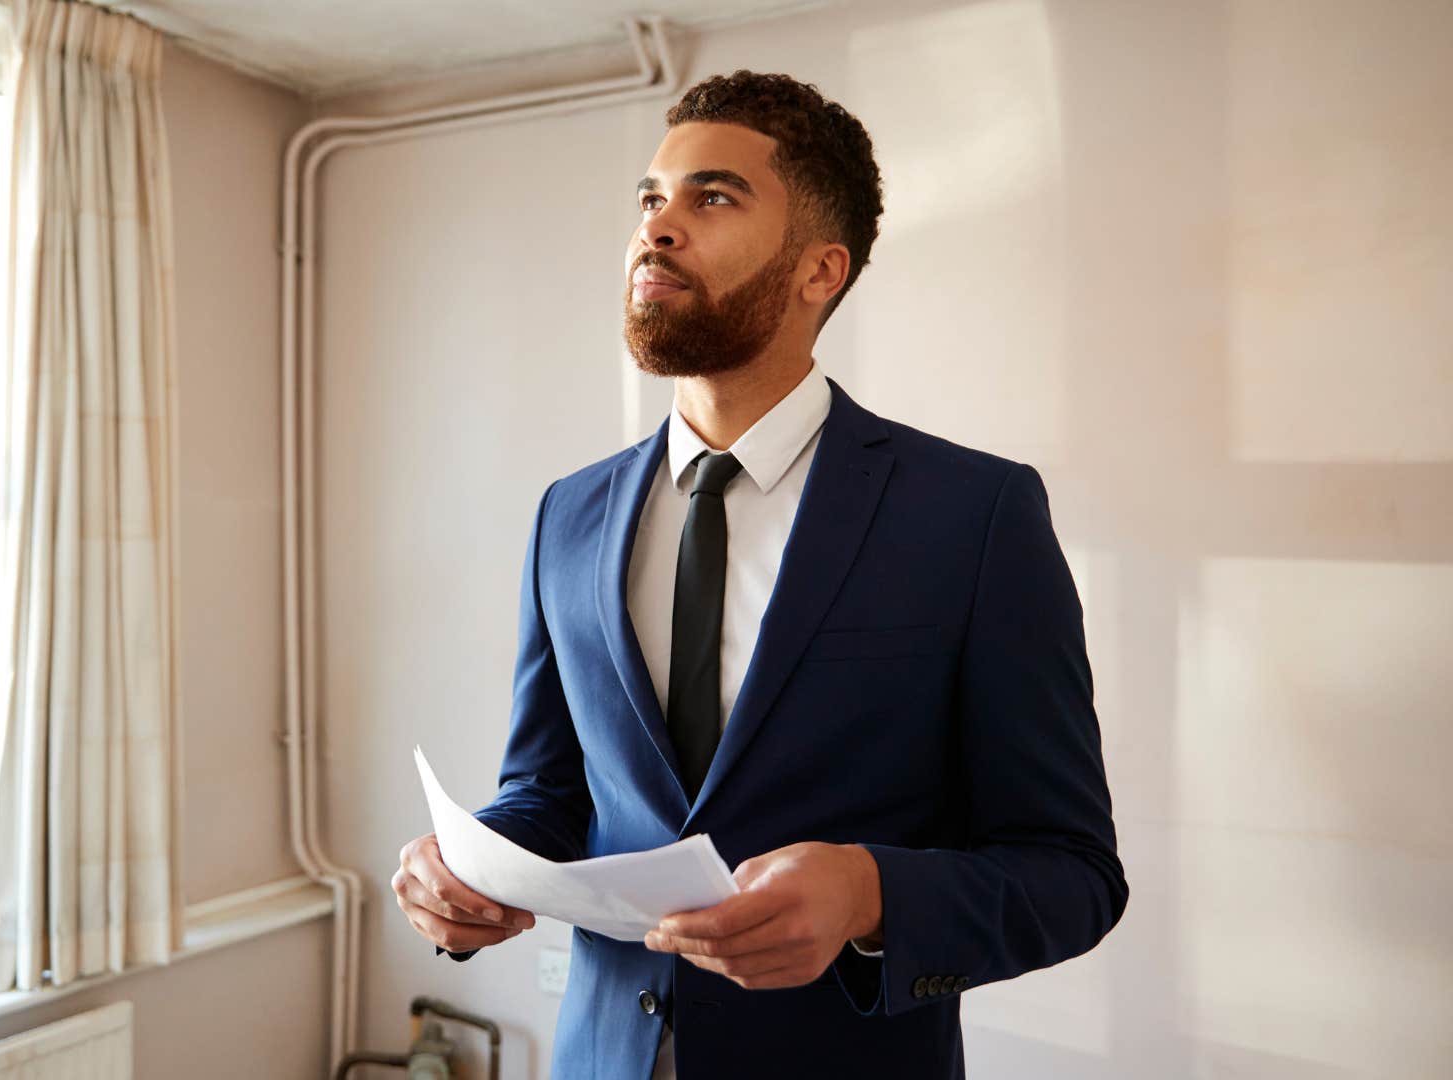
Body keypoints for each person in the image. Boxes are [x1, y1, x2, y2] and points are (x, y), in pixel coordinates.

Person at [391, 69, 1128, 1079]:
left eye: (713, 197)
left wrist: (869, 892)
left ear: (820, 270)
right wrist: (470, 874)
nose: (658, 227)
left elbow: (1070, 874)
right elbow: (553, 793)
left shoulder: (974, 515)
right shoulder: (569, 514)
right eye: (651, 199)